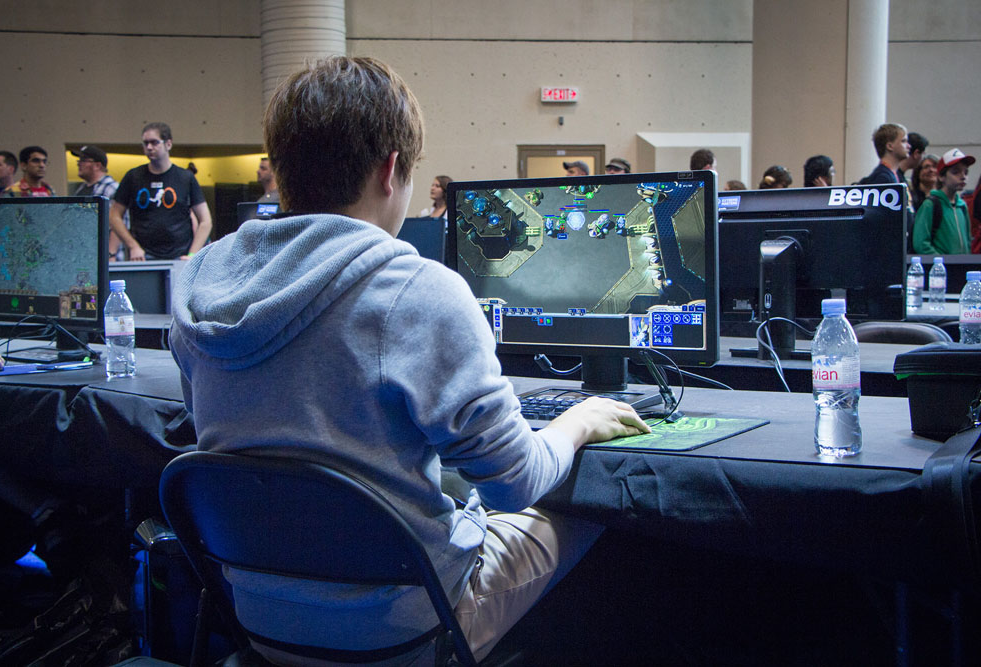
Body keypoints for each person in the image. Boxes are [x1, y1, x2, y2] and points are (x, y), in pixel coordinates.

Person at [169, 55, 649, 665]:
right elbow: (514, 483)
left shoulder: (200, 286)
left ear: (281, 165)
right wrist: (578, 421)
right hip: (398, 634)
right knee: (592, 511)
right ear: (391, 169)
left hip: (262, 623)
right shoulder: (418, 291)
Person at [110, 123, 213, 261]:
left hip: (179, 255)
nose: (149, 147)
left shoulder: (185, 178)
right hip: (143, 257)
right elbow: (114, 215)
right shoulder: (133, 177)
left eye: (154, 142)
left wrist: (192, 254)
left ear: (168, 144)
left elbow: (205, 220)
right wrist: (132, 246)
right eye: (145, 143)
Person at [912, 149, 975, 255]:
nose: (963, 176)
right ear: (941, 177)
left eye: (966, 172)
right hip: (941, 265)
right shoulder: (930, 205)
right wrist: (941, 261)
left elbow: (968, 241)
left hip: (962, 264)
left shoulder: (962, 206)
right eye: (956, 172)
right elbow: (921, 243)